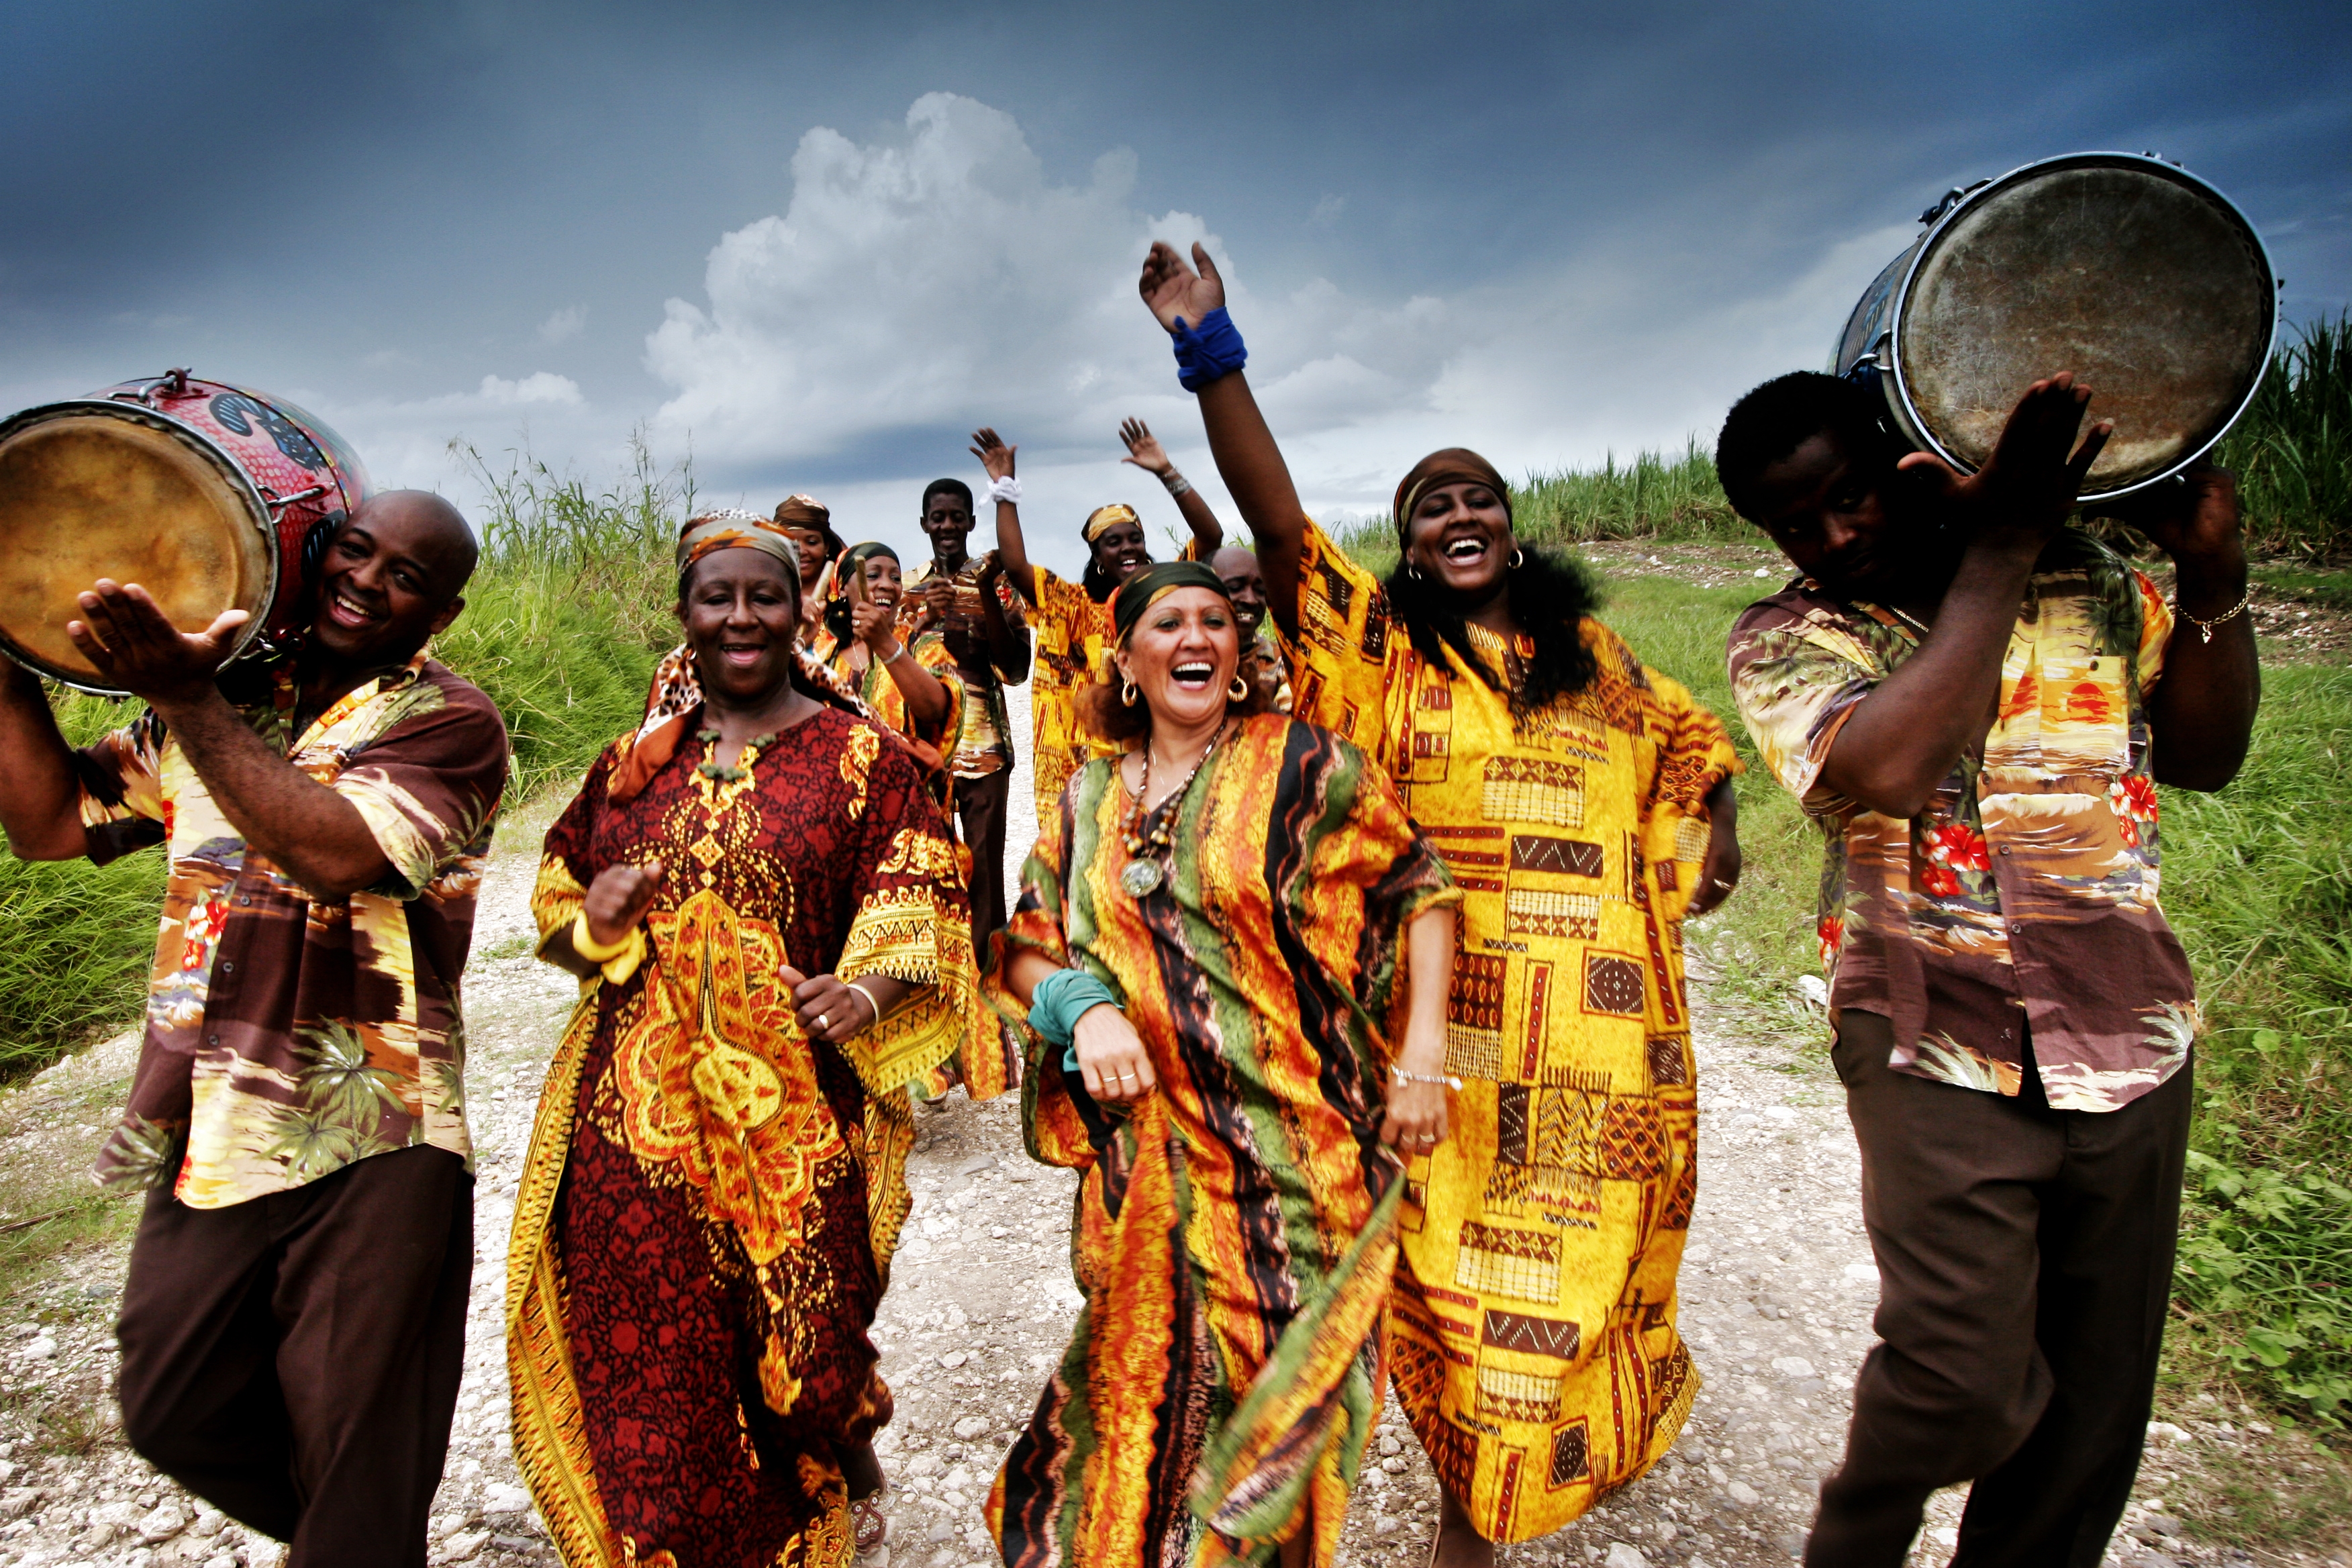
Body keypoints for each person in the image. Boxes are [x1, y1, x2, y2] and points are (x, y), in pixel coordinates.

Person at [1135, 240, 1744, 1565]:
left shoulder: (1598, 662)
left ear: (1511, 523)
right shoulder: (1379, 649)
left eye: (1476, 497)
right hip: (1442, 1040)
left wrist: (1716, 835)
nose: (1454, 517)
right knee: (1464, 1294)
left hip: (1605, 1046)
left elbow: (1696, 746)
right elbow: (1282, 524)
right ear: (1407, 545)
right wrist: (1210, 352)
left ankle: (1540, 1472)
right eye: (1426, 507)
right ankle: (1476, 1520)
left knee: (1589, 1282)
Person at [1714, 370, 2259, 1567]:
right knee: (1955, 1373)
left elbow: (2207, 756)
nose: (1833, 535)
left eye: (1848, 497)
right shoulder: (1791, 637)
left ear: (1905, 456)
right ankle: (1852, 1546)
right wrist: (2000, 542)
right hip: (1927, 1037)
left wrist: (2210, 579)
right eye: (1794, 525)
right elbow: (1889, 770)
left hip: (2125, 1031)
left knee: (2091, 1406)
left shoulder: (2091, 581)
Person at [0, 491, 505, 1565]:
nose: (367, 580)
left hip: (379, 1132)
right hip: (211, 1119)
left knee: (358, 1438)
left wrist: (186, 696)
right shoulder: (231, 696)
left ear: (443, 613)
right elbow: (50, 826)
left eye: (406, 576)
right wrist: (7, 643)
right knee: (167, 1397)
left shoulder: (450, 724)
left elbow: (335, 852)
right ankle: (357, 1540)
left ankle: (355, 1535)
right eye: (354, 550)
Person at [510, 508, 979, 1567]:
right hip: (638, 1130)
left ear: (797, 607)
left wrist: (864, 988)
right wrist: (600, 926)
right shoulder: (632, 769)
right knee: (654, 1363)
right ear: (684, 616)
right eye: (715, 597)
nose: (740, 616)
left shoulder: (863, 758)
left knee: (804, 1354)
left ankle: (836, 1458)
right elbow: (558, 902)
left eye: (763, 595)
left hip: (798, 1122)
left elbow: (924, 885)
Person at [984, 560, 1462, 1568]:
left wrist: (1422, 1058)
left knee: (1286, 1427)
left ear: (1239, 655)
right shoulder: (1087, 800)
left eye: (1216, 622)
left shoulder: (1310, 769)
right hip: (1150, 1172)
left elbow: (1421, 890)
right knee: (1155, 1411)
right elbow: (1023, 946)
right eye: (1168, 623)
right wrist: (1087, 1009)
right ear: (1125, 659)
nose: (1196, 638)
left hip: (1302, 1157)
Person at [977, 421, 1223, 816]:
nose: (1128, 548)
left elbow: (1211, 537)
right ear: (1097, 557)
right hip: (1079, 767)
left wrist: (1166, 472)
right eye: (1114, 541)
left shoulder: (1165, 599)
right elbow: (1016, 564)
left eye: (1135, 538)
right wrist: (1005, 489)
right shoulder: (1069, 606)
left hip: (1154, 759)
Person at [905, 477, 1032, 952]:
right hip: (924, 753)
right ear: (924, 524)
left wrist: (981, 597)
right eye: (938, 517)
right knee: (929, 866)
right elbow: (883, 669)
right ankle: (938, 973)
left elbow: (1016, 669)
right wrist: (922, 618)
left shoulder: (996, 585)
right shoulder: (909, 588)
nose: (948, 526)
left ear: (971, 522)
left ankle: (986, 981)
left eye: (957, 516)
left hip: (985, 752)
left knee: (982, 872)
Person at [812, 540, 963, 783]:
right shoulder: (824, 655)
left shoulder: (921, 647)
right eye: (872, 576)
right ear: (841, 587)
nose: (886, 585)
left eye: (895, 578)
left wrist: (885, 643)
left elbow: (936, 711)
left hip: (908, 806)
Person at [1211, 543, 1291, 712]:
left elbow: (1295, 734)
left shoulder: (1281, 662)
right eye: (1235, 588)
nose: (1251, 600)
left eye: (1260, 590)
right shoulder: (1185, 657)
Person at [773, 493, 848, 645]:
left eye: (812, 542)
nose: (801, 551)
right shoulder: (764, 597)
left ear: (826, 546)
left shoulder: (847, 596)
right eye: (791, 543)